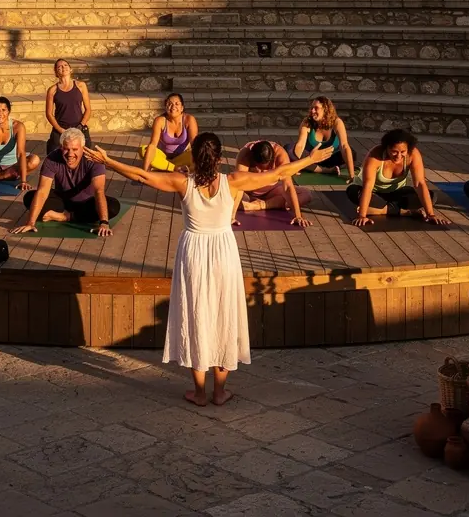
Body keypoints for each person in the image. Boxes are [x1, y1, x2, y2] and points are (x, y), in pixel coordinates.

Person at [86, 135, 333, 406]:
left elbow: (142, 175)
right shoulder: (233, 181)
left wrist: (108, 161)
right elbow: (279, 173)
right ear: (219, 158)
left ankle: (200, 393)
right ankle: (219, 392)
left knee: (196, 314)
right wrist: (310, 159)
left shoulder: (182, 182)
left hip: (193, 252)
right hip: (223, 251)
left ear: (193, 157)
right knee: (223, 314)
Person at [9, 127, 118, 238]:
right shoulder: (52, 159)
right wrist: (30, 223)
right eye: (66, 149)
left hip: (86, 203)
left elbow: (98, 191)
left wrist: (104, 223)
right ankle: (74, 216)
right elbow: (42, 191)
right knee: (29, 197)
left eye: (75, 149)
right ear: (61, 147)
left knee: (113, 206)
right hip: (62, 201)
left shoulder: (94, 160)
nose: (70, 154)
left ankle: (64, 217)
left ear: (83, 148)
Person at [350, 130, 450, 227]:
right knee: (353, 191)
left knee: (431, 196)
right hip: (374, 193)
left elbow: (419, 183)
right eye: (394, 152)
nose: (398, 156)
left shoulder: (413, 154)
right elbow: (368, 186)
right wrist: (362, 215)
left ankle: (381, 210)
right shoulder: (375, 155)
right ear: (387, 148)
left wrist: (430, 214)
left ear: (408, 149)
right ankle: (402, 211)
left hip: (396, 193)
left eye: (403, 152)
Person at [231, 139, 311, 226]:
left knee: (305, 194)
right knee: (229, 197)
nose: (263, 171)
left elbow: (287, 186)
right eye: (259, 168)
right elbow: (239, 185)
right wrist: (232, 216)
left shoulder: (281, 155)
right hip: (247, 193)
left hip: (271, 191)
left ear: (272, 159)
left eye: (267, 168)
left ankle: (260, 205)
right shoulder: (245, 154)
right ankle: (263, 203)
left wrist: (298, 216)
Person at [290, 96, 355, 180]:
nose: (312, 111)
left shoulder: (337, 122)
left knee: (351, 152)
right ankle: (324, 170)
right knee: (290, 149)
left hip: (331, 159)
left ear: (326, 109)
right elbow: (300, 145)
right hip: (312, 160)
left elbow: (344, 146)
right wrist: (296, 167)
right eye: (312, 108)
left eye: (316, 108)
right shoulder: (307, 122)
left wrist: (351, 175)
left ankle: (327, 168)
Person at [140, 93, 198, 171]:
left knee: (196, 152)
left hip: (182, 158)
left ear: (182, 108)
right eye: (169, 104)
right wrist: (145, 172)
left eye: (177, 104)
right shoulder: (160, 120)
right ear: (165, 107)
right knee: (144, 150)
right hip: (164, 158)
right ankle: (174, 168)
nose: (173, 107)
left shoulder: (189, 120)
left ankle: (165, 167)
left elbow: (194, 145)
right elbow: (153, 145)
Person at [45, 59, 92, 153]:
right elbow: (49, 114)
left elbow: (88, 110)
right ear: (56, 72)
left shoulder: (81, 86)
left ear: (70, 69)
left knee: (86, 155)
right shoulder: (52, 90)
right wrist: (61, 130)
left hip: (79, 127)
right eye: (59, 66)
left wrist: (80, 126)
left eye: (65, 65)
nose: (63, 67)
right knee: (52, 154)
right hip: (60, 129)